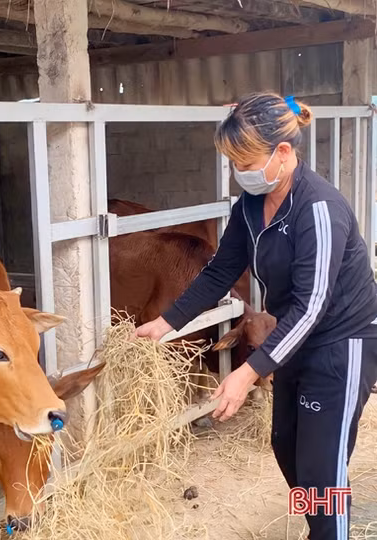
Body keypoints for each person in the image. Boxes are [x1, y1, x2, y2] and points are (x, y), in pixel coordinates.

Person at [135, 92, 377, 540]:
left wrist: (246, 373)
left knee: (323, 469)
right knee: (287, 448)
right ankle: (323, 527)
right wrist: (167, 322)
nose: (239, 172)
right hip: (294, 338)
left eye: (245, 160)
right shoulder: (249, 207)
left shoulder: (319, 211)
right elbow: (219, 273)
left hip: (340, 343)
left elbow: (312, 307)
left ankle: (330, 531)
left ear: (283, 153)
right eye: (233, 162)